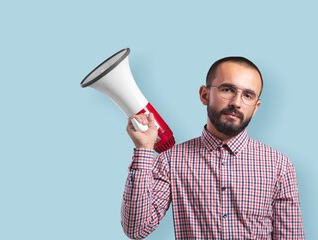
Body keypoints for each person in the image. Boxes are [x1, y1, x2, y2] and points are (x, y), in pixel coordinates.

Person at [121, 56, 305, 239]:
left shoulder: (279, 165)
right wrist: (144, 149)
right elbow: (136, 229)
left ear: (256, 108)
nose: (236, 102)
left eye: (248, 95)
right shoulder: (171, 160)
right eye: (227, 89)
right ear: (204, 95)